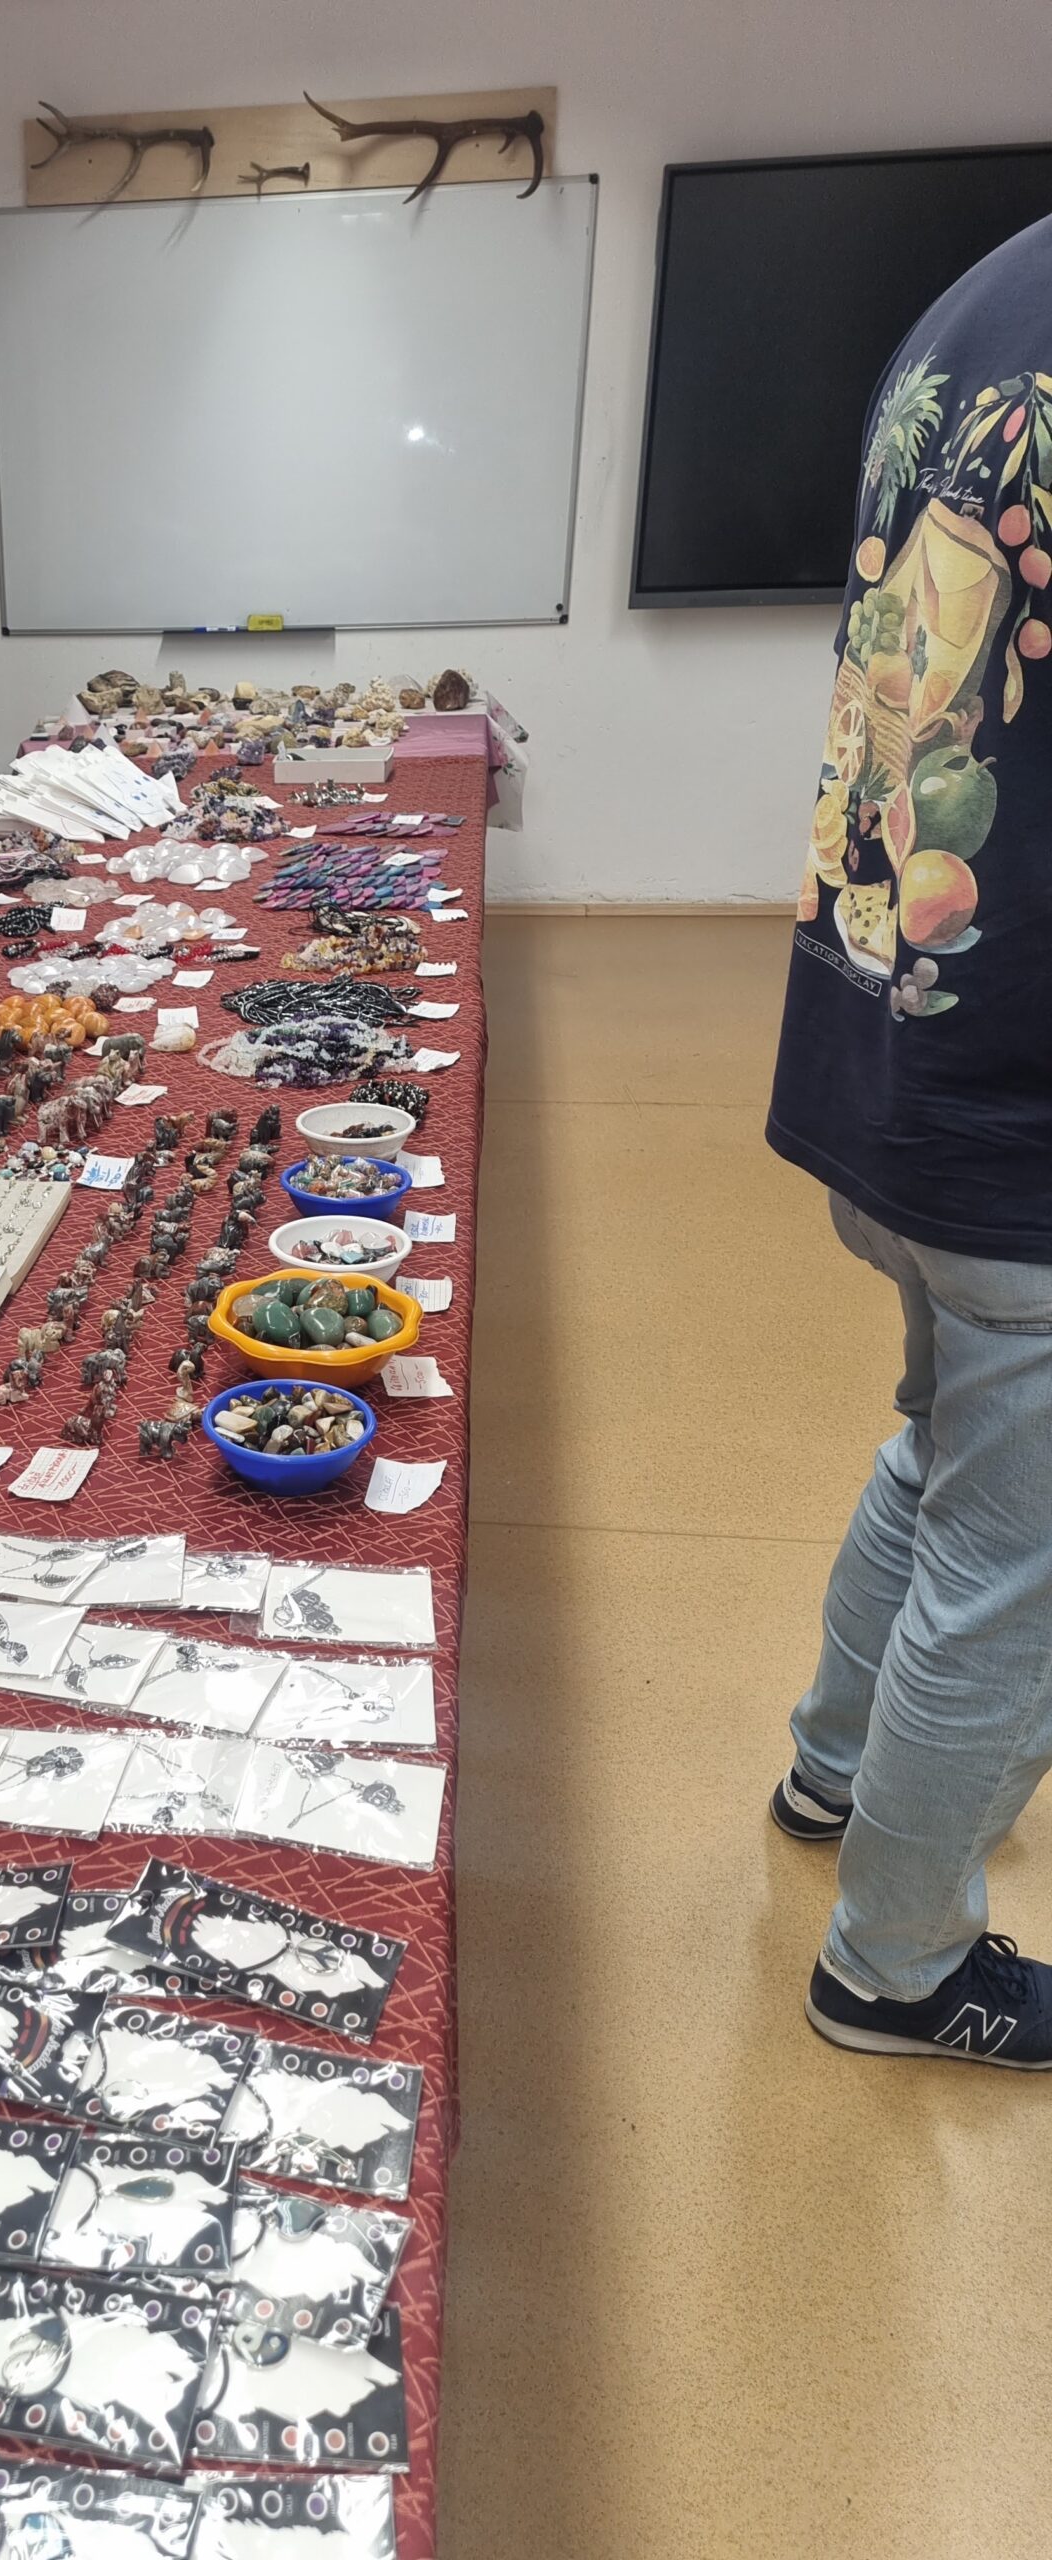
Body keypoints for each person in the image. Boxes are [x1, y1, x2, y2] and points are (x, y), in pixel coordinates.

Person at [767, 212, 1052, 2067]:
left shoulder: (983, 291)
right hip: (1023, 1100)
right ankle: (897, 1966)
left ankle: (835, 1766)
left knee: (945, 1446)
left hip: (895, 1032)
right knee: (1017, 1568)